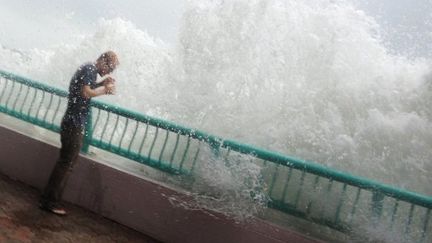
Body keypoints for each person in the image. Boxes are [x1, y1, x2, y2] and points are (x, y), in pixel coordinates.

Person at [39, 51, 119, 215]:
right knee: (66, 163)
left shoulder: (88, 68)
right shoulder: (90, 69)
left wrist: (102, 83)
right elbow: (85, 93)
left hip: (70, 121)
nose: (109, 71)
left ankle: (48, 199)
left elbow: (85, 88)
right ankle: (50, 202)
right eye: (109, 67)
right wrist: (106, 90)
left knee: (65, 162)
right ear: (102, 60)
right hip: (73, 124)